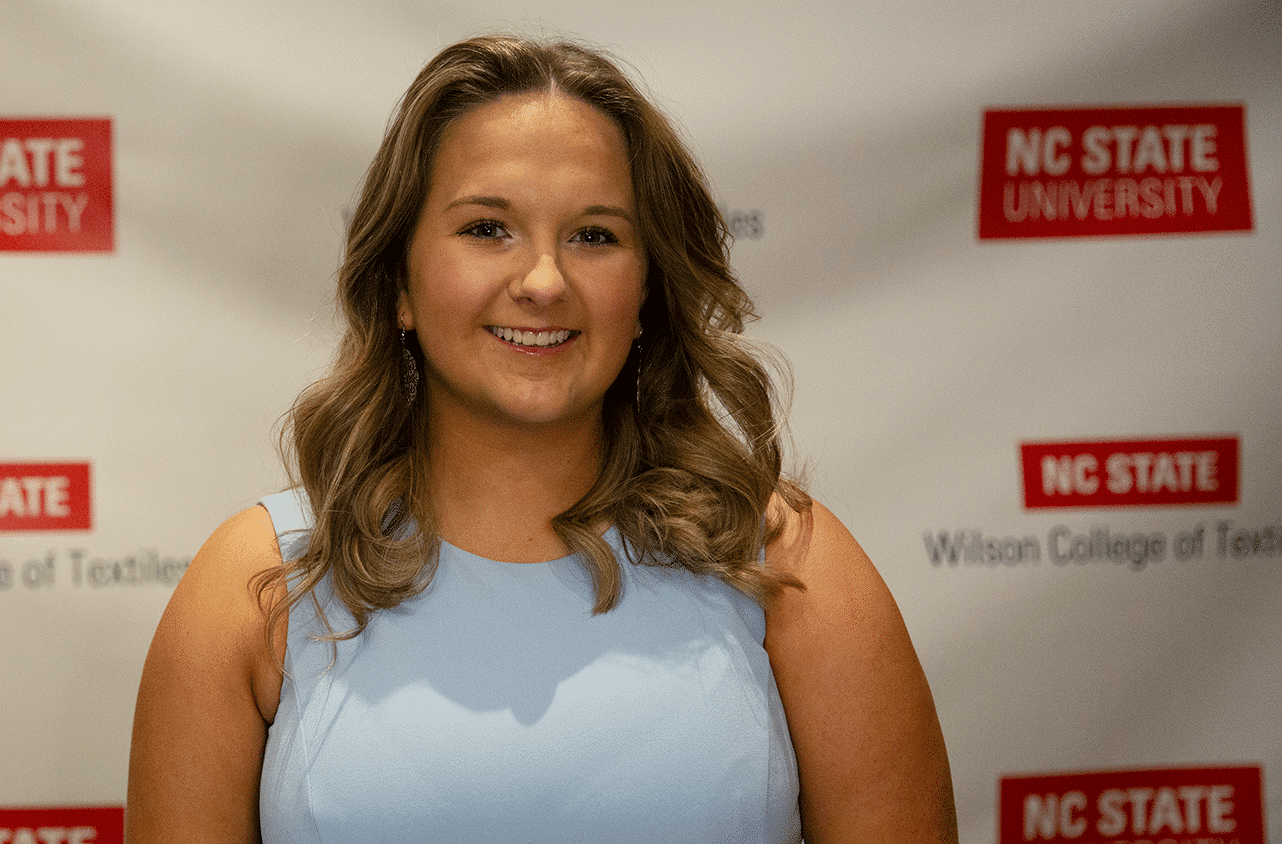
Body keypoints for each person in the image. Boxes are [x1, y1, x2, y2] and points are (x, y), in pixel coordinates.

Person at [126, 33, 956, 843]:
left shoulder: (788, 565)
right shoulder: (257, 585)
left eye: (595, 236)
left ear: (647, 293)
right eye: (488, 227)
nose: (544, 282)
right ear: (400, 283)